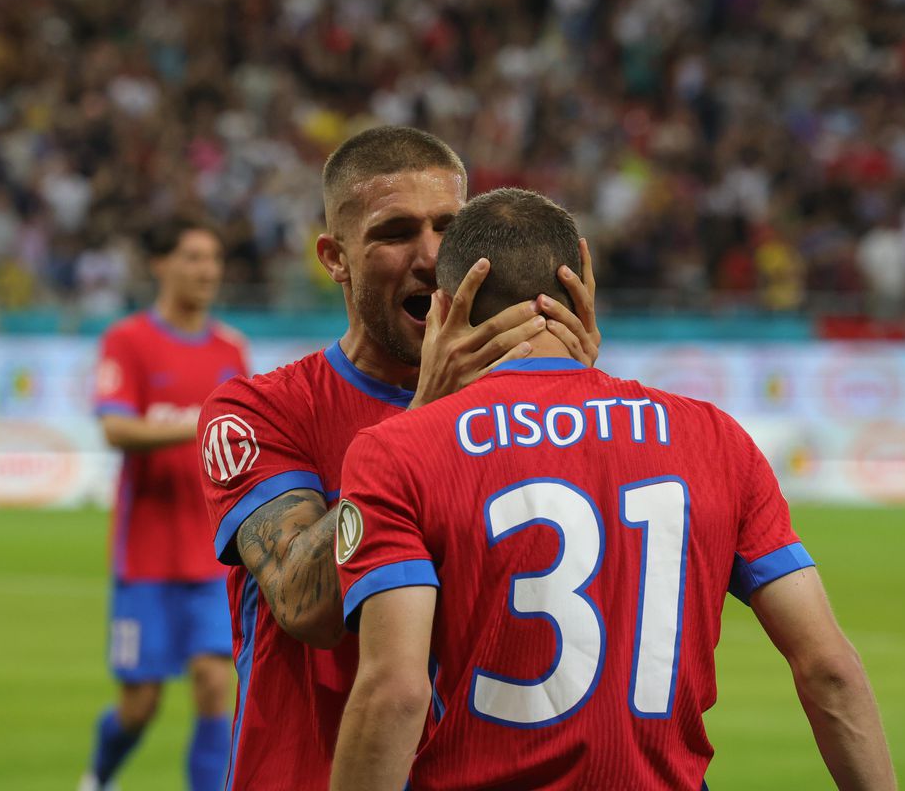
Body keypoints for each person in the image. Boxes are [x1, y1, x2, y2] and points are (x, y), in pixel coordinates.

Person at [331, 188, 897, 791]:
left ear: (445, 305)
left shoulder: (398, 450)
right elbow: (828, 668)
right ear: (583, 287)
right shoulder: (713, 437)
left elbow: (394, 690)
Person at [197, 127, 600, 790]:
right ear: (335, 257)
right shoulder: (260, 411)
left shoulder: (515, 418)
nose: (432, 255)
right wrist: (425, 414)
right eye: (395, 232)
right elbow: (307, 609)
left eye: (450, 226)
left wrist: (567, 400)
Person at [82, 219, 250, 791]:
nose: (207, 271)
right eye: (193, 257)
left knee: (213, 682)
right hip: (147, 556)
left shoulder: (231, 348)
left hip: (212, 556)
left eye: (214, 259)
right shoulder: (128, 341)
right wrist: (194, 422)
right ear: (160, 265)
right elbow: (115, 427)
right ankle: (97, 777)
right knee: (140, 705)